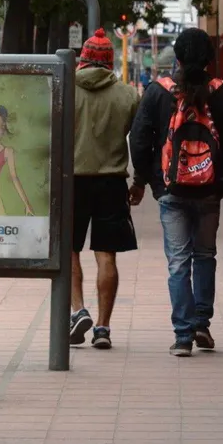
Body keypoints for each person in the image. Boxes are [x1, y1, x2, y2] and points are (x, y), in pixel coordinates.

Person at [129, 28, 223, 357]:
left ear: (177, 58)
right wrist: (221, 181)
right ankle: (201, 324)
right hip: (209, 191)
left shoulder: (158, 92)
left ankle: (183, 336)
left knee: (178, 262)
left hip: (171, 192)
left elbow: (139, 140)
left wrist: (151, 181)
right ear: (211, 59)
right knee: (205, 255)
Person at [69, 28, 141, 350]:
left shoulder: (66, 90)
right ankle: (102, 327)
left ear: (83, 60)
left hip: (72, 180)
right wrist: (139, 182)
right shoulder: (127, 96)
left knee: (69, 249)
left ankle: (78, 310)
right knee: (106, 254)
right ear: (110, 63)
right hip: (111, 181)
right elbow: (137, 141)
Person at [0, 106, 34, 216]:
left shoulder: (7, 151)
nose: (0, 130)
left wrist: (27, 204)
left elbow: (14, 177)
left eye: (2, 126)